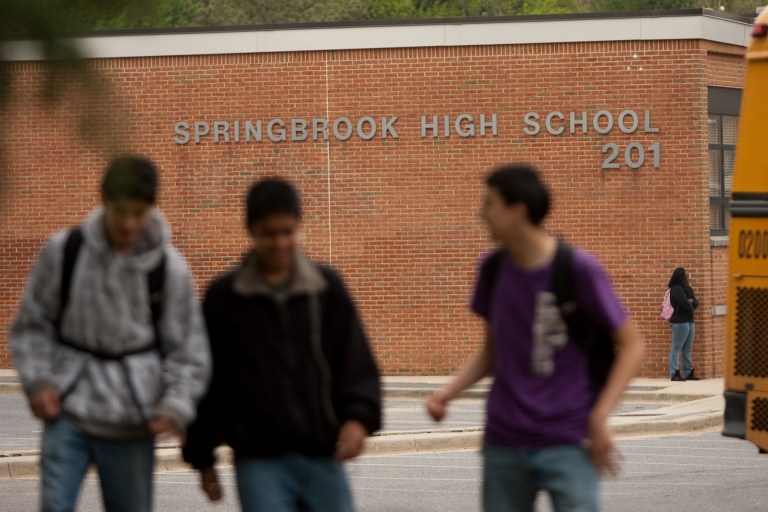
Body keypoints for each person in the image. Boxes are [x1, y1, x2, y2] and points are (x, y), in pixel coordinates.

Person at [425, 163, 644, 512]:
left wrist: (600, 416)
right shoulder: (492, 269)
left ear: (517, 210)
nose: (481, 214)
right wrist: (446, 393)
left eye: (489, 204)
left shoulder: (576, 268)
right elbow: (492, 351)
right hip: (504, 441)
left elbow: (632, 344)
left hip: (568, 440)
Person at [10, 155, 211, 512]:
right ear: (103, 200)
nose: (129, 224)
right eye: (121, 211)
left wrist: (177, 403)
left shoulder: (170, 270)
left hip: (133, 419)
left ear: (152, 207)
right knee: (54, 506)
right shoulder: (65, 252)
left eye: (139, 212)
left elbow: (191, 351)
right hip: (68, 408)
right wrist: (38, 381)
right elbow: (32, 324)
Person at [183, 177, 382, 512]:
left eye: (288, 232)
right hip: (259, 461)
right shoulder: (225, 298)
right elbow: (208, 382)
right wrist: (203, 458)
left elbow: (355, 360)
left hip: (324, 455)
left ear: (299, 228)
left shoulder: (325, 289)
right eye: (269, 234)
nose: (279, 243)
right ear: (251, 230)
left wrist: (358, 419)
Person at [667, 267, 700, 381]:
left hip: (690, 322)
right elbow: (685, 304)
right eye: (685, 275)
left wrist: (691, 301)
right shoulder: (676, 289)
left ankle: (687, 372)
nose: (687, 277)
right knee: (676, 347)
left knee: (687, 348)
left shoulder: (687, 288)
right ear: (680, 276)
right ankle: (674, 373)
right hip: (680, 322)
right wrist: (690, 301)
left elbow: (696, 302)